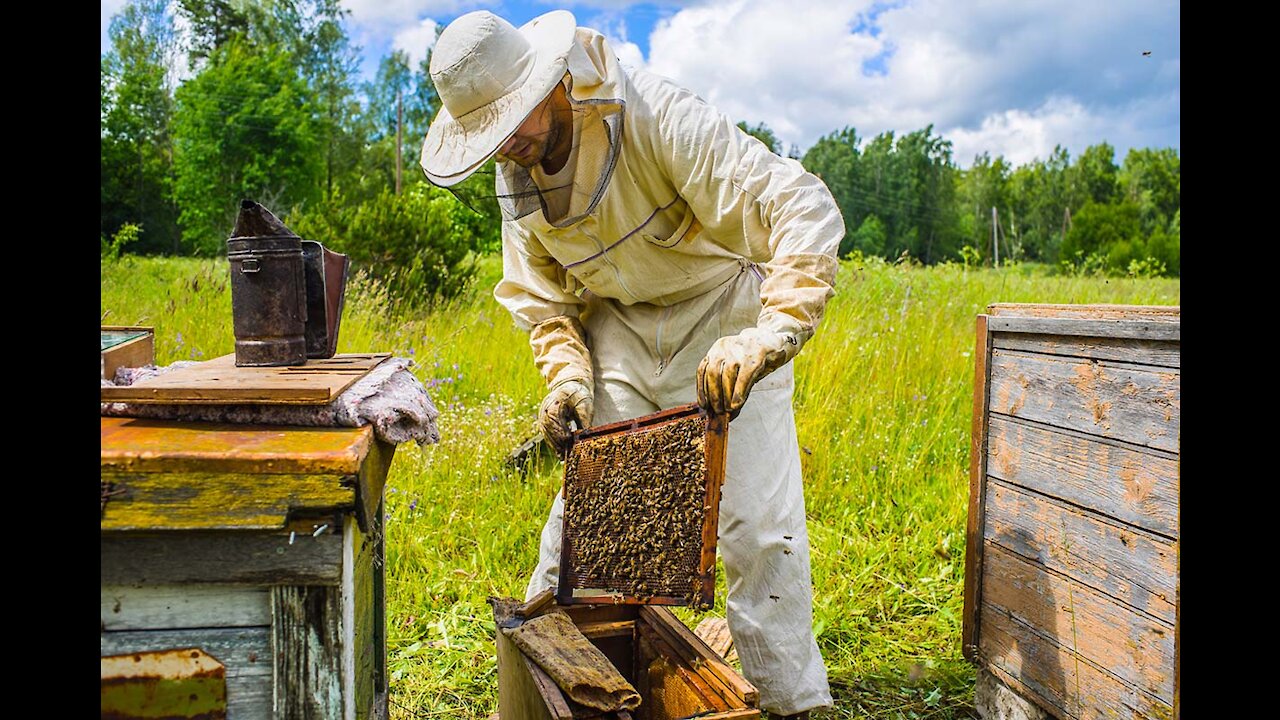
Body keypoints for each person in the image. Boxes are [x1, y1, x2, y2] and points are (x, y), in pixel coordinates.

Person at [419, 10, 843, 719]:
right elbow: (544, 303)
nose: (513, 144)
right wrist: (569, 380)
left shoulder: (653, 112)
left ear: (555, 82)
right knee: (584, 523)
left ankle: (790, 700)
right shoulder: (516, 170)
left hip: (723, 312)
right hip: (616, 323)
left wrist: (772, 333)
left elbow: (798, 203)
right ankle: (542, 689)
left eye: (516, 120)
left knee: (757, 525)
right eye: (494, 137)